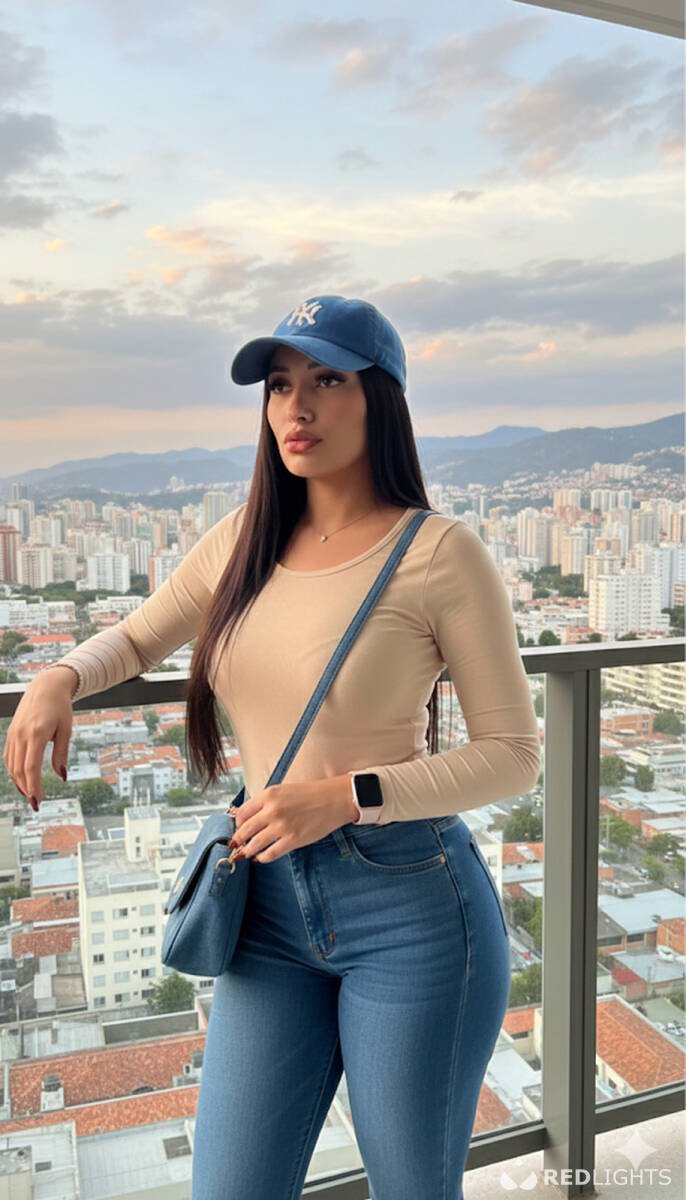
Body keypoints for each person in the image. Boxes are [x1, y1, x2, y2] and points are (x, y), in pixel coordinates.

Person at [3, 294, 541, 1200]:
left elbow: (513, 752)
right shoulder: (243, 538)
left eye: (327, 381)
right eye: (280, 385)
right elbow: (136, 639)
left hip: (409, 909)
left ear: (380, 399)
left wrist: (345, 795)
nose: (297, 407)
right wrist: (57, 677)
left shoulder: (440, 553)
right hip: (266, 905)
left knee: (412, 1186)